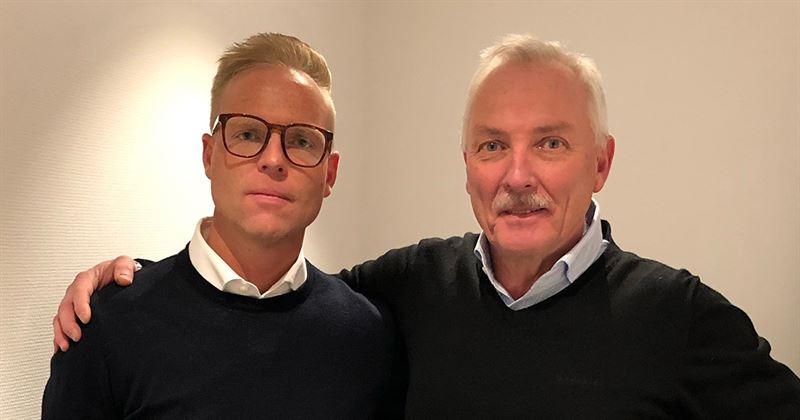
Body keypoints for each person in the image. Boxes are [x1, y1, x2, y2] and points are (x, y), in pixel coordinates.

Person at [52, 34, 800, 418]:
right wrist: (130, 285)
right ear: (467, 165)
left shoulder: (677, 316)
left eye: (550, 143)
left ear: (600, 163)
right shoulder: (407, 292)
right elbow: (276, 301)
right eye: (492, 146)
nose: (517, 177)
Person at [42, 32, 404, 419]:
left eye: (301, 141)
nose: (273, 159)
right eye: (248, 134)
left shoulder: (368, 335)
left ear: (329, 174)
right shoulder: (108, 323)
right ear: (209, 155)